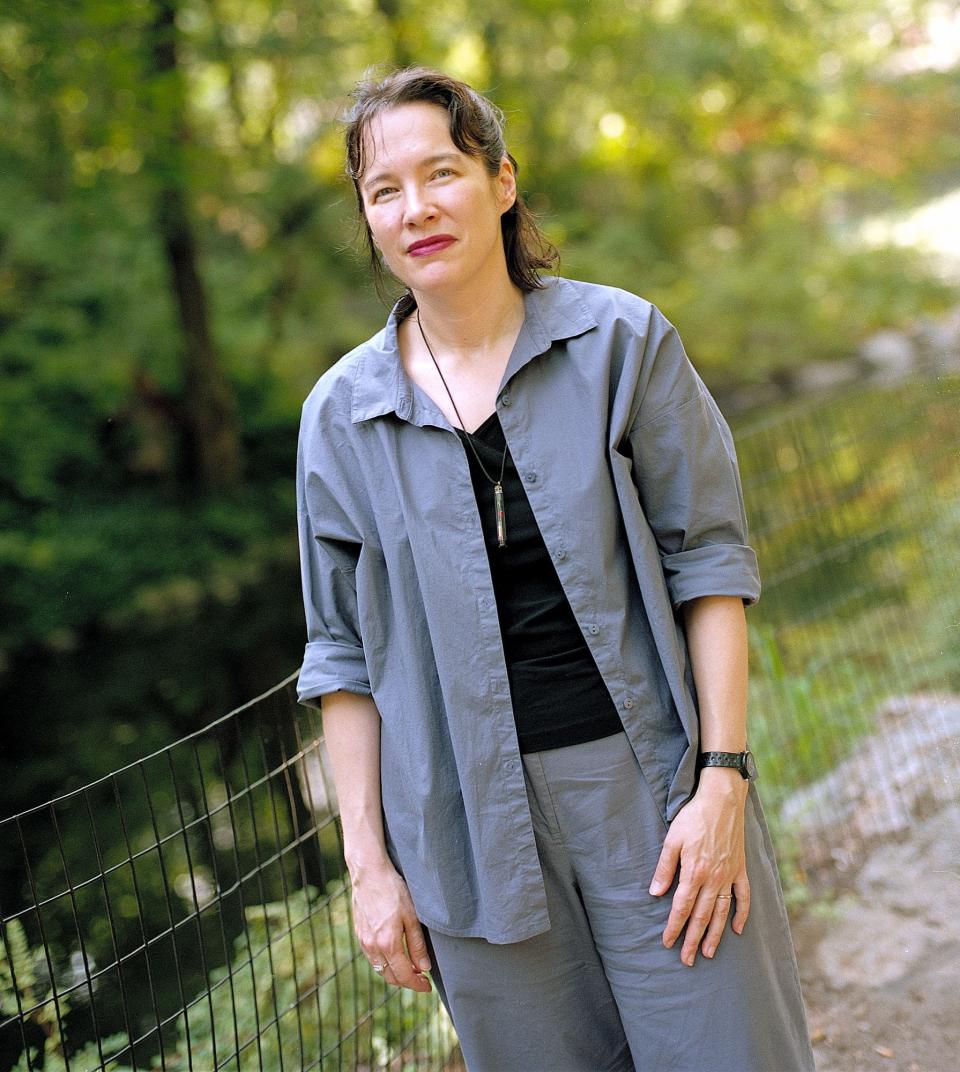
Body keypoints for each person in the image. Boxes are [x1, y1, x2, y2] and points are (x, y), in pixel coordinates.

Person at [296, 65, 815, 1072]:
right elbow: (341, 660)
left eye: (440, 172)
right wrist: (369, 866)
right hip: (461, 833)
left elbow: (709, 564)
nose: (416, 208)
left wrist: (721, 782)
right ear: (367, 219)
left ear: (500, 181)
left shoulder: (622, 342)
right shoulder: (339, 419)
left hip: (656, 795)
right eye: (383, 190)